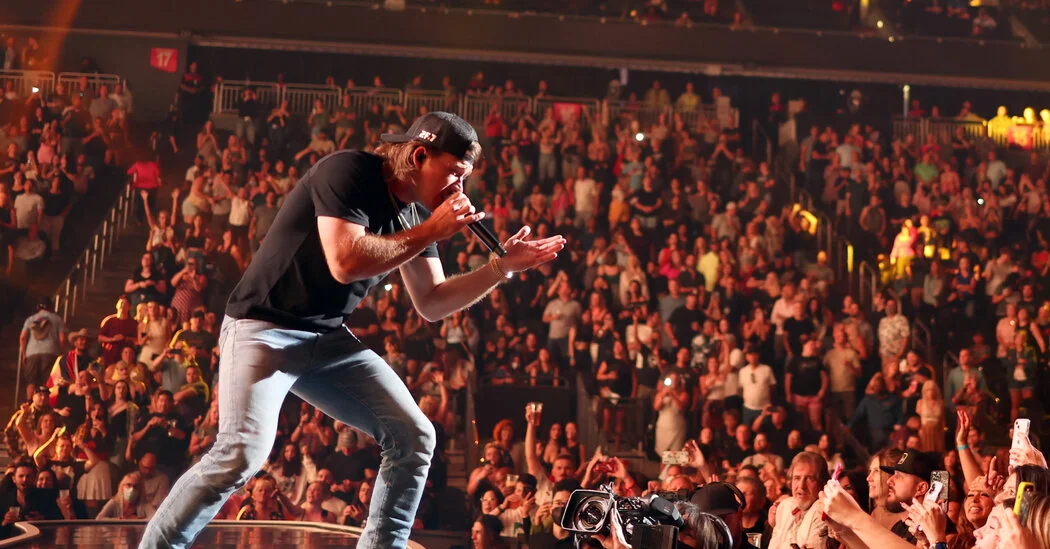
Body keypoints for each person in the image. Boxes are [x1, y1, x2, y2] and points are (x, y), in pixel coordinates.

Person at [139, 112, 565, 549]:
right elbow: (345, 262)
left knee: (415, 437)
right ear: (419, 155)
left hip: (326, 338)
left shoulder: (415, 215)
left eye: (465, 177)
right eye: (455, 173)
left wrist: (501, 267)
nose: (459, 188)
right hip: (264, 327)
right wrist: (431, 230)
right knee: (241, 452)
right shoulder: (348, 171)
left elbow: (433, 302)